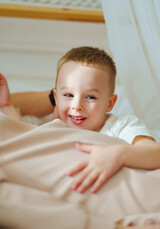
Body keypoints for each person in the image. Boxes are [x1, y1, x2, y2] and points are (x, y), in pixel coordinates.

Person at [0, 46, 160, 195]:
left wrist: (119, 154)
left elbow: (156, 153)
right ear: (56, 98)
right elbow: (23, 141)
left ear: (110, 103)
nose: (77, 106)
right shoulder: (56, 126)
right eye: (68, 95)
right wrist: (6, 106)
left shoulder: (121, 126)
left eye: (90, 97)